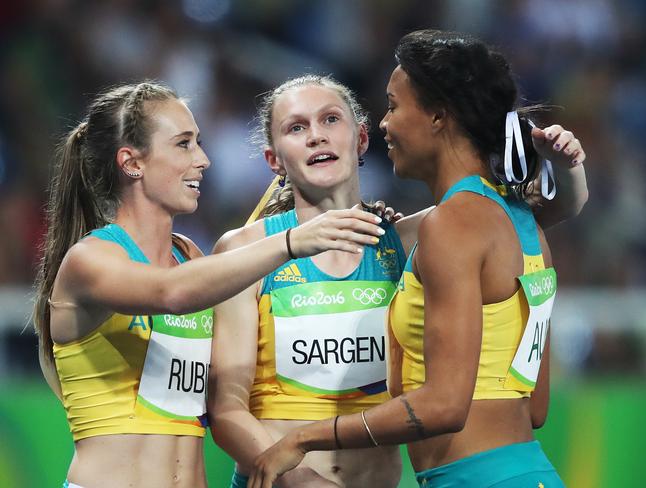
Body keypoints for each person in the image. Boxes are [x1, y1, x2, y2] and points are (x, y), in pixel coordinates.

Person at [209, 67, 586, 486]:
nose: (316, 135)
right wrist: (300, 480)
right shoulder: (246, 251)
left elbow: (520, 218)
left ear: (363, 138)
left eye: (331, 119)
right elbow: (225, 409)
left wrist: (568, 169)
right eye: (296, 128)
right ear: (274, 159)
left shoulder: (409, 239)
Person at [32, 81, 385, 488]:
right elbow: (171, 293)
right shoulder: (90, 259)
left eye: (199, 142)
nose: (203, 159)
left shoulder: (191, 258)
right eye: (184, 144)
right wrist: (292, 241)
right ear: (132, 163)